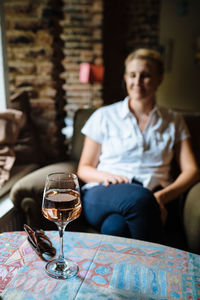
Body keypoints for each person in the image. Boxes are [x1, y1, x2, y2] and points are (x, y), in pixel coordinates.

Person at [77, 48, 199, 243]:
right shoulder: (103, 116)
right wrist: (108, 176)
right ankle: (160, 269)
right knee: (140, 200)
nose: (138, 81)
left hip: (155, 193)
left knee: (115, 228)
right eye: (132, 75)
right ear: (125, 78)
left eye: (146, 75)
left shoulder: (174, 120)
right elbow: (84, 168)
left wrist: (161, 197)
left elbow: (191, 170)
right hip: (104, 191)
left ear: (159, 79)